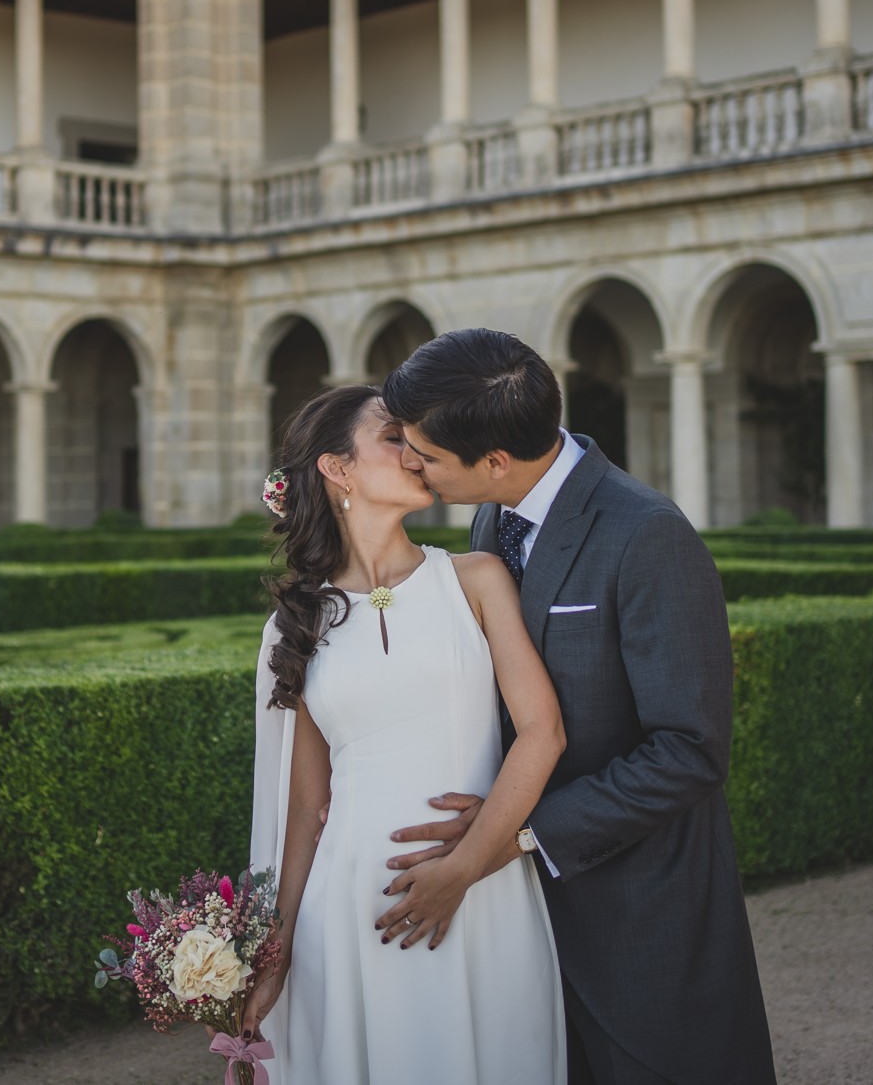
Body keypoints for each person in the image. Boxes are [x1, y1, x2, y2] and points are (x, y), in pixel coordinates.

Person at [378, 328, 777, 1085]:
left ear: (495, 460)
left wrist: (515, 835)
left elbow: (690, 748)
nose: (408, 463)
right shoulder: (493, 518)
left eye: (425, 455)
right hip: (523, 923)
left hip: (640, 912)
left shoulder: (648, 533)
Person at [242, 384, 567, 1084]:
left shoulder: (477, 579)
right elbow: (303, 806)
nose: (416, 450)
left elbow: (542, 732)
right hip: (354, 904)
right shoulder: (297, 624)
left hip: (482, 892)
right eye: (394, 436)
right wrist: (277, 951)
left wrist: (467, 866)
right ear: (339, 469)